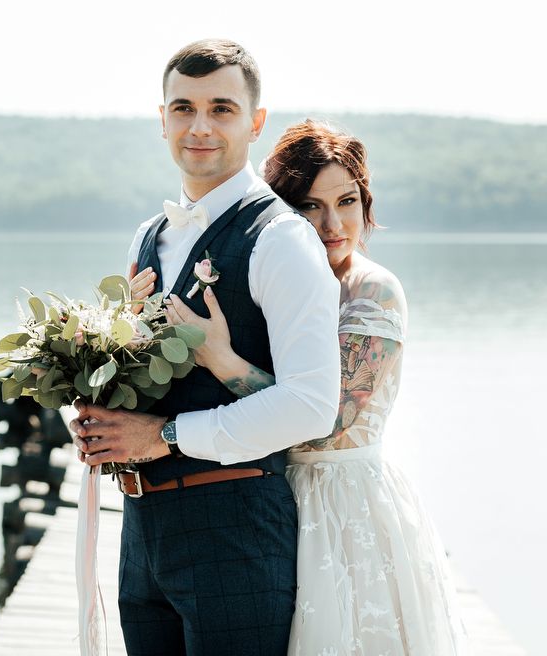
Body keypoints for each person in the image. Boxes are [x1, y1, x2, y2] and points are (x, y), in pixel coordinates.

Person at [154, 120, 471, 655]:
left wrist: (221, 359)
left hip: (343, 503)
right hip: (266, 497)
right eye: (309, 207)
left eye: (347, 202)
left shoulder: (372, 291)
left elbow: (328, 425)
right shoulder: (278, 279)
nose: (333, 224)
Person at [71, 40, 342, 656]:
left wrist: (163, 437)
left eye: (221, 108)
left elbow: (310, 405)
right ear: (161, 119)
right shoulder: (149, 236)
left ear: (255, 122)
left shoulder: (281, 239)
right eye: (183, 108)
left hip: (236, 531)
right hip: (143, 534)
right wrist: (98, 406)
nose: (199, 127)